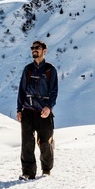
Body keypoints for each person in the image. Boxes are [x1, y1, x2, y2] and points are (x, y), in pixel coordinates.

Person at [16, 40, 58, 180]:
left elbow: (54, 91)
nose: (34, 50)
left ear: (44, 50)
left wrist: (48, 107)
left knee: (45, 142)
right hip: (28, 110)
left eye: (37, 48)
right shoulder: (27, 69)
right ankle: (28, 172)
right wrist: (19, 109)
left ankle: (46, 169)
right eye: (32, 48)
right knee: (27, 143)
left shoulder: (50, 70)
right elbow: (21, 90)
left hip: (43, 112)